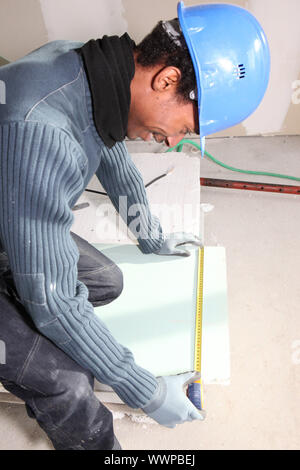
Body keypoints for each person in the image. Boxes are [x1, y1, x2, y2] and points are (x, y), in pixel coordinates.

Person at [0, 2, 270, 450]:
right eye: (185, 127)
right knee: (69, 383)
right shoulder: (42, 133)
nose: (175, 143)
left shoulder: (89, 70)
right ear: (167, 80)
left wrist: (151, 233)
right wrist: (144, 388)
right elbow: (54, 302)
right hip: (13, 207)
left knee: (107, 280)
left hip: (9, 213)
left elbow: (109, 151)